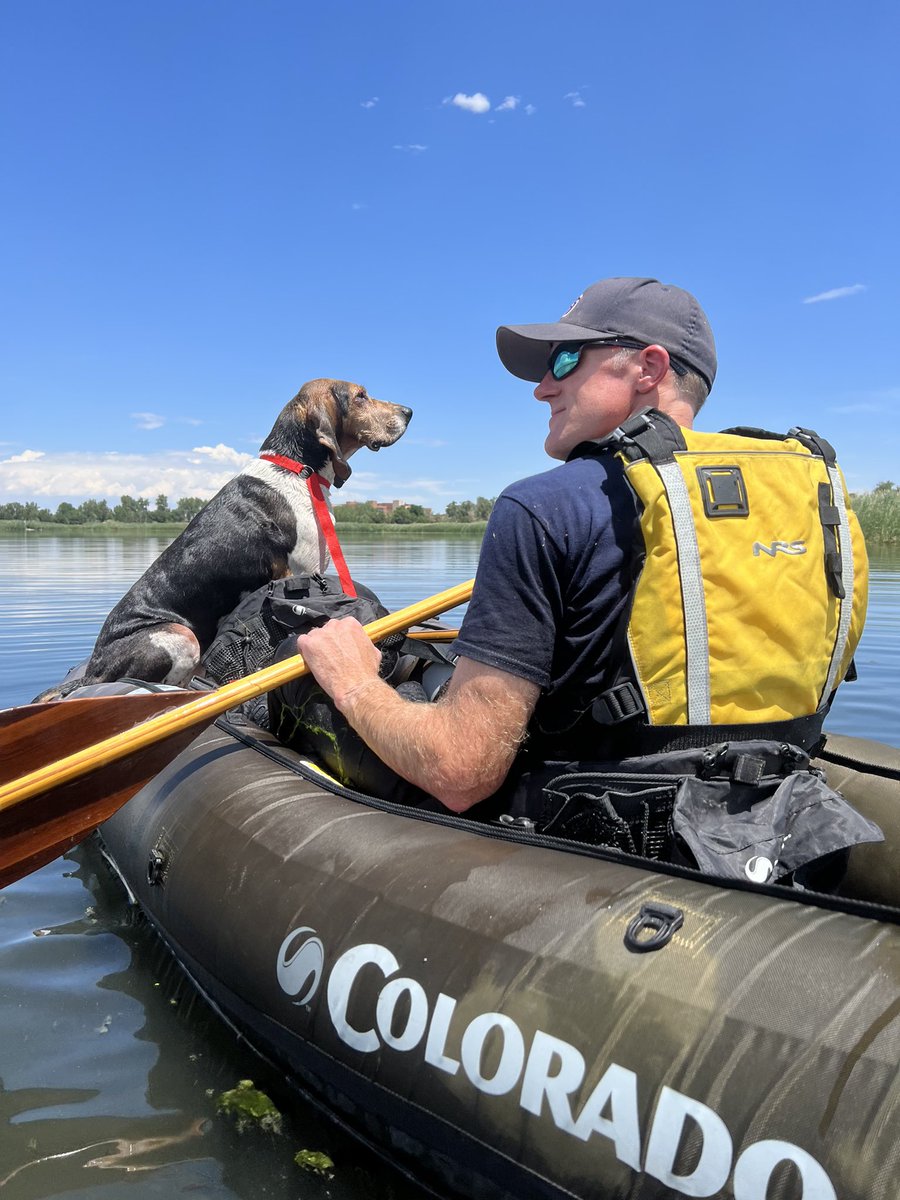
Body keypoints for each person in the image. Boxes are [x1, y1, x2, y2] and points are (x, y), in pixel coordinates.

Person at [289, 277, 723, 813]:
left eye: (565, 360)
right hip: (737, 800)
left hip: (586, 819)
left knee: (302, 662)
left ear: (648, 369)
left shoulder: (542, 507)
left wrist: (353, 683)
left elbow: (460, 769)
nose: (542, 386)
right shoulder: (798, 503)